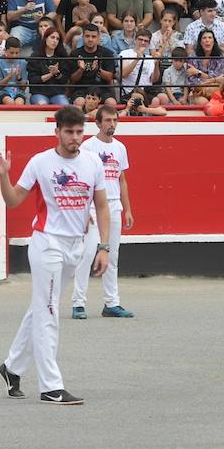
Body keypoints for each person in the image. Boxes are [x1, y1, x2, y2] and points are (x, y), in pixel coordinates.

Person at [0, 105, 110, 406]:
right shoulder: (40, 162)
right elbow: (13, 200)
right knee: (48, 311)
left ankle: (12, 367)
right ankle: (51, 386)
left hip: (77, 246)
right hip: (47, 243)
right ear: (56, 131)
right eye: (69, 132)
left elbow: (102, 206)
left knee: (42, 307)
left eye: (79, 132)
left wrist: (104, 247)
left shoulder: (93, 162)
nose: (75, 137)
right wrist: (3, 177)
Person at [70, 104, 135, 319]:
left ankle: (111, 302)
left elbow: (122, 180)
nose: (112, 124)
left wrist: (127, 209)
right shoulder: (88, 147)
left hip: (114, 205)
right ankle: (78, 302)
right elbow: (81, 177)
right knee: (88, 253)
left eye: (115, 120)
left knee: (112, 255)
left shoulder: (120, 148)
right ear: (98, 123)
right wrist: (82, 208)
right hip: (92, 206)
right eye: (107, 120)